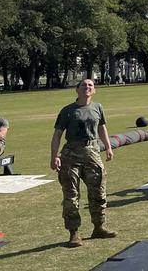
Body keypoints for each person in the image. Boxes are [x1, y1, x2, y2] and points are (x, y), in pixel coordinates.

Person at [49, 79, 116, 248]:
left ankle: (99, 227)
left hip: (93, 152)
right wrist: (54, 156)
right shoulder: (68, 111)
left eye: (90, 85)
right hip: (71, 154)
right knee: (71, 195)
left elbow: (102, 128)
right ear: (76, 90)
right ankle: (74, 233)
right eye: (84, 85)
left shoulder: (98, 107)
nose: (87, 87)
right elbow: (57, 134)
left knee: (98, 191)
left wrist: (108, 147)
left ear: (94, 90)